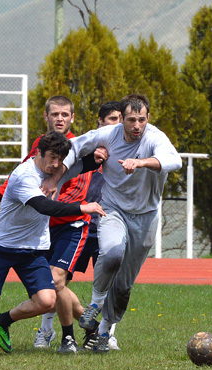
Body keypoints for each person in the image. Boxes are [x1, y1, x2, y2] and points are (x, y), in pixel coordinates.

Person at [0, 131, 105, 356]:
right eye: (51, 157)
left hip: (33, 249)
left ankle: (3, 321)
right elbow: (46, 207)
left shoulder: (56, 169)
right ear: (38, 153)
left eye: (60, 159)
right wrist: (83, 207)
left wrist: (103, 153)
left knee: (46, 300)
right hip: (2, 247)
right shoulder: (24, 175)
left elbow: (83, 165)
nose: (55, 165)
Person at [56, 94, 182, 353]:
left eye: (142, 120)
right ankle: (95, 304)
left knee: (124, 285)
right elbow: (75, 147)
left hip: (146, 217)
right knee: (112, 254)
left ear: (148, 118)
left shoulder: (154, 137)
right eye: (131, 120)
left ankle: (104, 333)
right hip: (113, 211)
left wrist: (141, 162)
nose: (137, 125)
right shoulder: (108, 134)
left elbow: (175, 161)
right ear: (121, 119)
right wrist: (55, 178)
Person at [72, 101, 122, 350]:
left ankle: (106, 334)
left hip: (106, 228)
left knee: (110, 280)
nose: (118, 124)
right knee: (57, 281)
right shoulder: (84, 148)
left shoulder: (127, 154)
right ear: (100, 122)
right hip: (76, 226)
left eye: (121, 119)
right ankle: (51, 330)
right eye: (112, 119)